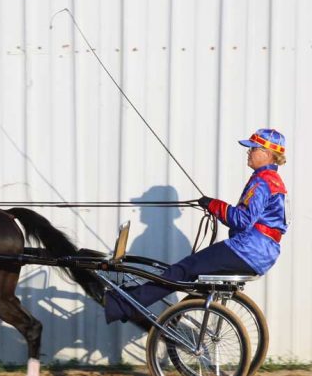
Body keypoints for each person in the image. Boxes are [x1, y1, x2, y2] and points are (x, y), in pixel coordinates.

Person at [104, 128, 288, 326]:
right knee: (188, 272)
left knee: (182, 270)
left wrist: (214, 205)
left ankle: (124, 304)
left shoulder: (262, 181)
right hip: (261, 252)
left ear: (267, 154)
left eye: (253, 148)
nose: (248, 152)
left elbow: (242, 221)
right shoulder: (274, 181)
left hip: (248, 250)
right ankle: (155, 314)